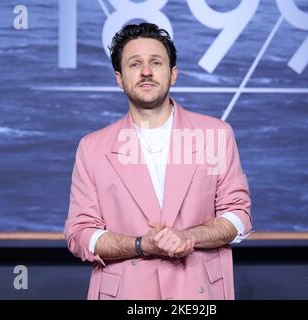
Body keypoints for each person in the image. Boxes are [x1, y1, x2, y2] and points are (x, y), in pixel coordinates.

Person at [64, 22, 252, 300]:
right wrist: (141, 244)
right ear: (119, 78)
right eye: (134, 64)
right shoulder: (92, 148)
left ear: (173, 74)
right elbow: (80, 235)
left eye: (156, 62)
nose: (146, 72)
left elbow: (239, 216)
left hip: (198, 293)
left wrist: (190, 237)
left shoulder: (216, 134)